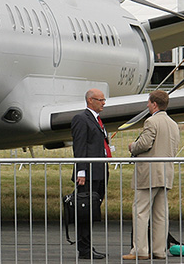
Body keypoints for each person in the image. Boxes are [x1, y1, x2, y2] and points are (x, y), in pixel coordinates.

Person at [123, 90, 180, 260]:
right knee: (161, 213)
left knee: (141, 211)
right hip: (166, 172)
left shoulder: (151, 121)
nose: (147, 105)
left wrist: (133, 146)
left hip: (149, 173)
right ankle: (159, 250)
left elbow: (145, 143)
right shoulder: (173, 123)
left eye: (148, 102)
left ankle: (140, 250)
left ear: (154, 104)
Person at [71, 88, 112, 260]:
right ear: (90, 101)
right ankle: (85, 249)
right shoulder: (81, 119)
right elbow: (79, 147)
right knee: (85, 212)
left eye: (104, 100)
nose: (103, 103)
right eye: (100, 100)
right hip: (88, 174)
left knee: (92, 211)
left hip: (100, 172)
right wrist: (81, 171)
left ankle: (87, 246)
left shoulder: (97, 120)